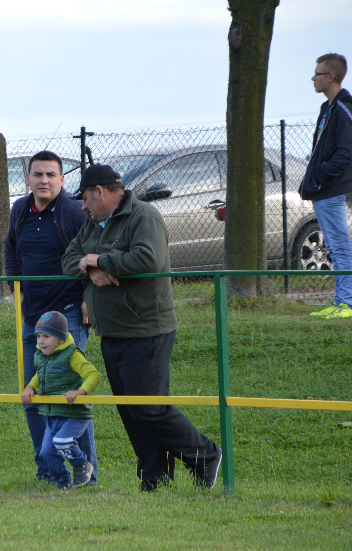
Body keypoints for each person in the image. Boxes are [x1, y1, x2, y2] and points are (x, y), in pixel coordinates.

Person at [62, 164, 222, 491]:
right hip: (112, 331)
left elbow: (148, 259)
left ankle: (204, 455)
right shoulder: (93, 224)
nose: (83, 206)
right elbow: (69, 259)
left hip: (147, 328)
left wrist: (98, 260)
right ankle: (154, 476)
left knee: (148, 408)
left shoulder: (144, 217)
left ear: (101, 192)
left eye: (86, 198)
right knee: (130, 411)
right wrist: (89, 269)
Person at [3, 150, 97, 485]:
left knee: (70, 403)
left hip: (68, 316)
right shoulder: (19, 210)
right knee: (32, 398)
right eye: (38, 174)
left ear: (62, 179)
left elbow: (93, 252)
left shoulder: (73, 211)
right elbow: (10, 249)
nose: (44, 180)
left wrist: (89, 297)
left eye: (51, 175)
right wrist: (19, 290)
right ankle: (49, 472)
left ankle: (86, 476)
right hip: (32, 319)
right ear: (27, 179)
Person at [303, 53, 352, 319]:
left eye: (318, 73)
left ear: (331, 77)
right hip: (322, 190)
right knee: (335, 245)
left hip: (332, 190)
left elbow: (345, 153)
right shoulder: (328, 108)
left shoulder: (344, 109)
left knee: (339, 245)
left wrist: (323, 175)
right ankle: (340, 300)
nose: (313, 78)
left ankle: (349, 303)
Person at [19, 311, 101, 489]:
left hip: (74, 414)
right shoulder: (41, 357)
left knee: (62, 441)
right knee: (47, 451)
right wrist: (30, 387)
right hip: (53, 413)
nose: (41, 341)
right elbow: (40, 377)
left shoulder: (72, 355)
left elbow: (93, 375)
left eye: (46, 337)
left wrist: (80, 392)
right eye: (38, 336)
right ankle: (63, 481)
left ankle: (82, 464)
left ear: (61, 339)